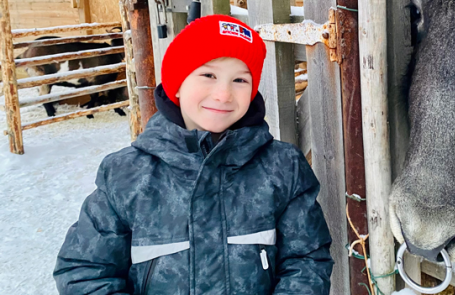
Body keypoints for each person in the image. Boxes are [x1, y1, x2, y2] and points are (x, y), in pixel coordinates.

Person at [54, 15, 333, 294]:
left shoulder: (282, 167)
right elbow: (84, 271)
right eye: (208, 75)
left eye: (239, 79)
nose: (223, 94)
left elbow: (307, 260)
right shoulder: (127, 174)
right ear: (177, 82)